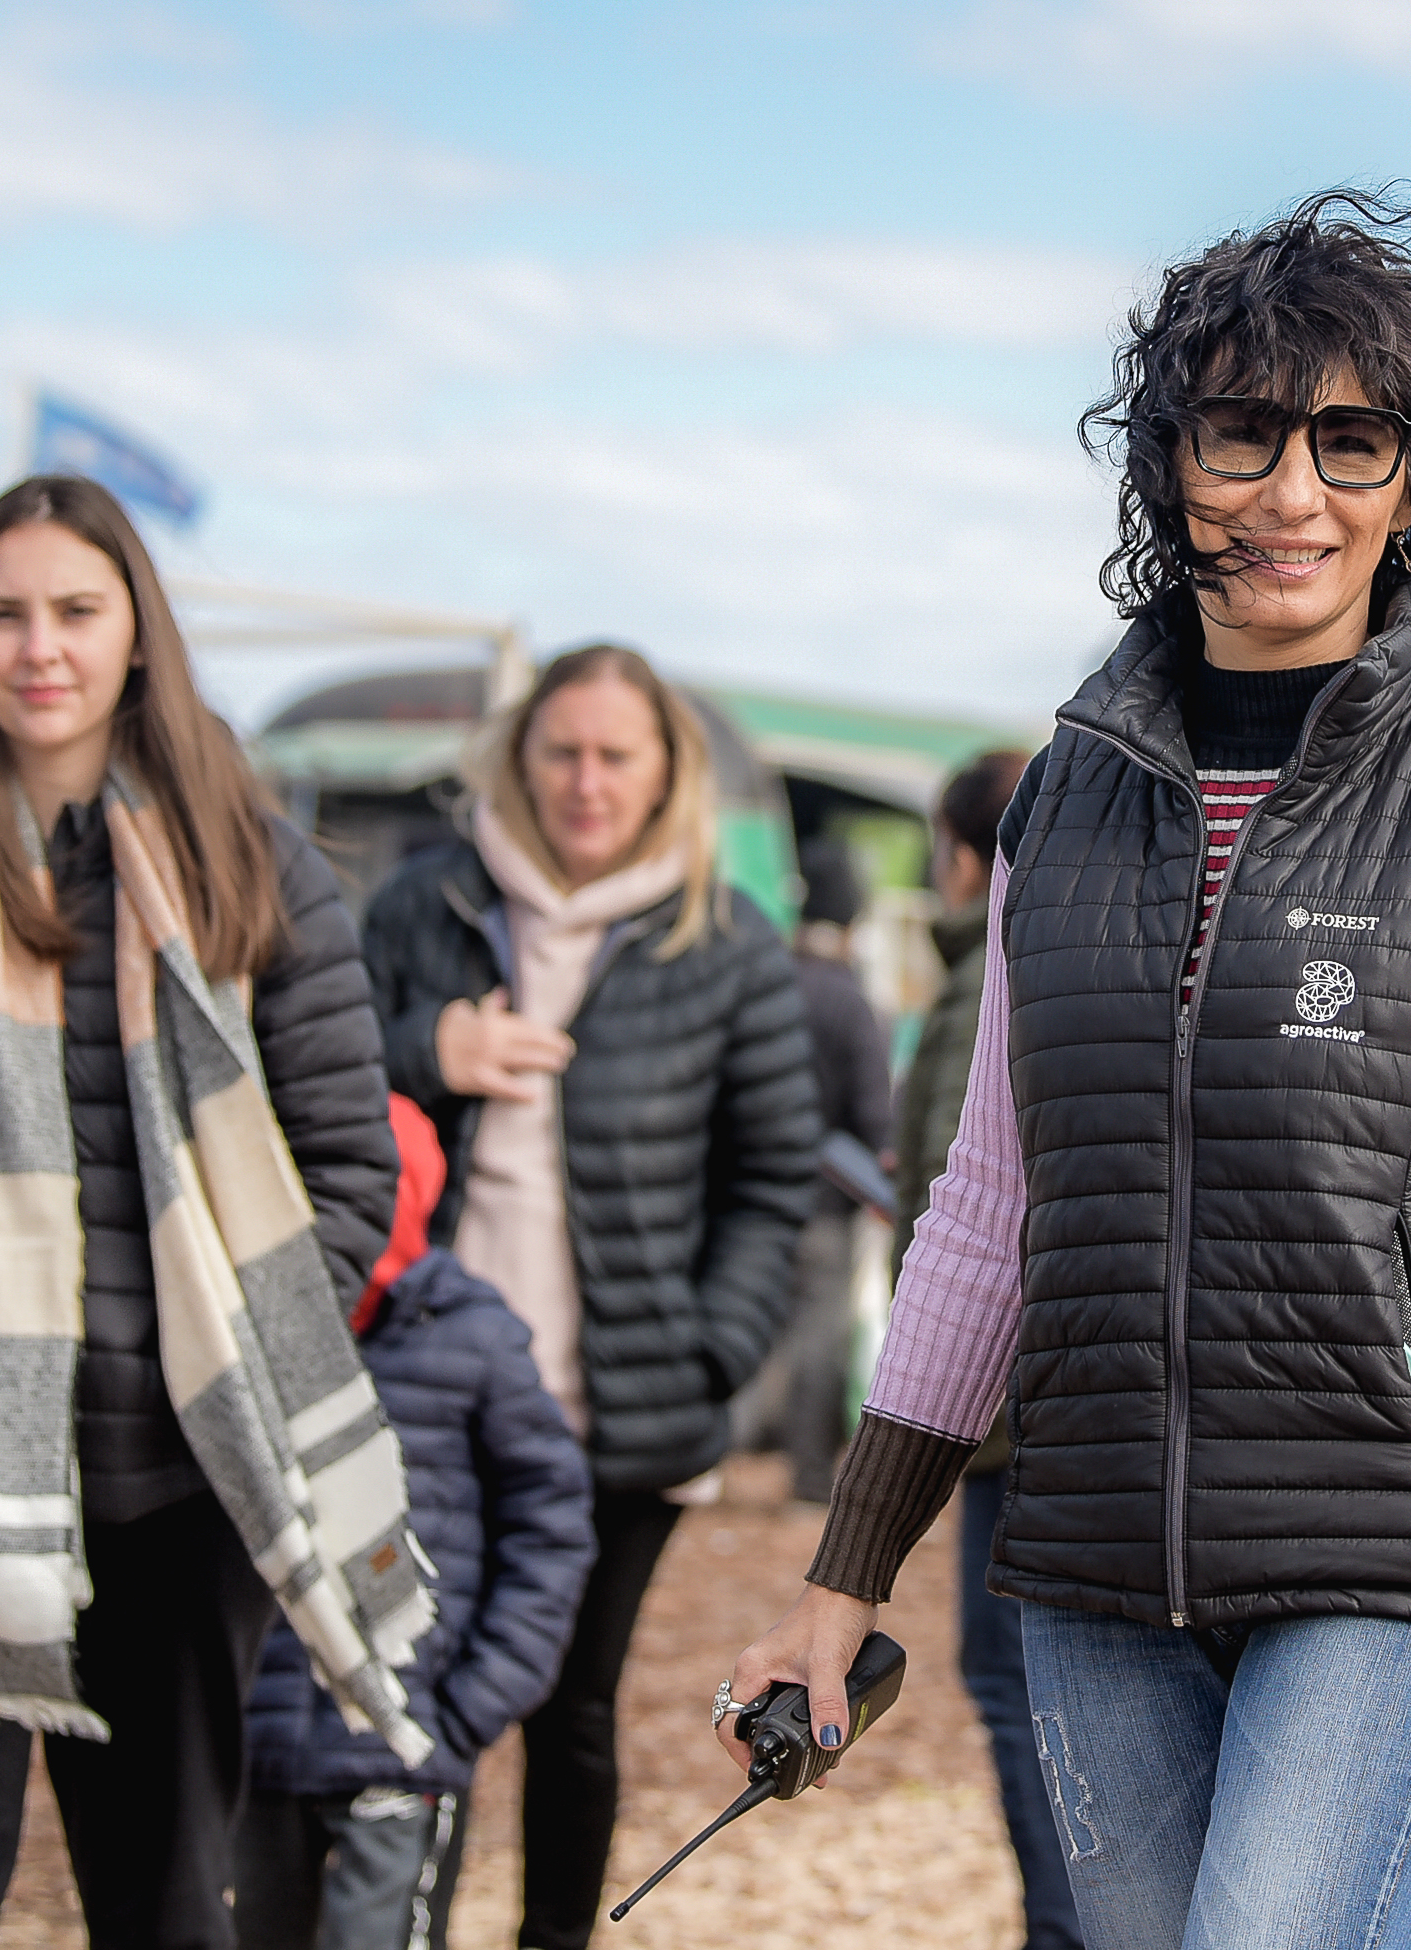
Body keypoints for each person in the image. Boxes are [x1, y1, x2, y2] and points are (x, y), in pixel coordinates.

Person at [722, 190, 1411, 1950]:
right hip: (1098, 1559)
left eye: (1351, 443)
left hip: (1403, 1550)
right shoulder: (1061, 804)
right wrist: (846, 1579)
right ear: (1170, 460)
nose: (1292, 492)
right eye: (1244, 430)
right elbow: (985, 1214)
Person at [0, 474, 410, 1950]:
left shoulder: (254, 864)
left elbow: (346, 1165)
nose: (36, 647)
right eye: (0, 613)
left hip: (181, 1486)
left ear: (134, 634)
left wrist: (244, 1348)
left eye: (73, 611)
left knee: (166, 1906)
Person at [361, 643, 819, 1949]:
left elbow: (772, 1171)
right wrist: (427, 1050)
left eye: (619, 754)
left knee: (572, 1705)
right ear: (516, 759)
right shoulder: (420, 907)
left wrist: (713, 1350)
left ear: (666, 773)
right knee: (415, 1689)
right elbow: (309, 1087)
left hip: (619, 1407)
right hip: (425, 1393)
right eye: (561, 750)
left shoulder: (722, 939)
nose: (587, 781)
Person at [239, 1095, 596, 1950]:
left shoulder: (475, 1339)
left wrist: (468, 1708)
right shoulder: (249, 1333)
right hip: (259, 1743)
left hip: (404, 1745)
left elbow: (550, 1526)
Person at [890, 745, 1078, 1950]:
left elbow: (974, 1200)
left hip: (1012, 1419)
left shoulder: (982, 978)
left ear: (965, 857)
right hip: (1033, 1408)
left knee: (1023, 1690)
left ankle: (1066, 1929)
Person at [772, 830, 891, 1503]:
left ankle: (716, 1458)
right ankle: (810, 1477)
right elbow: (875, 1113)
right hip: (826, 1199)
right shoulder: (850, 1000)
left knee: (758, 1327)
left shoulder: (769, 983)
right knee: (820, 1337)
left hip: (755, 1191)